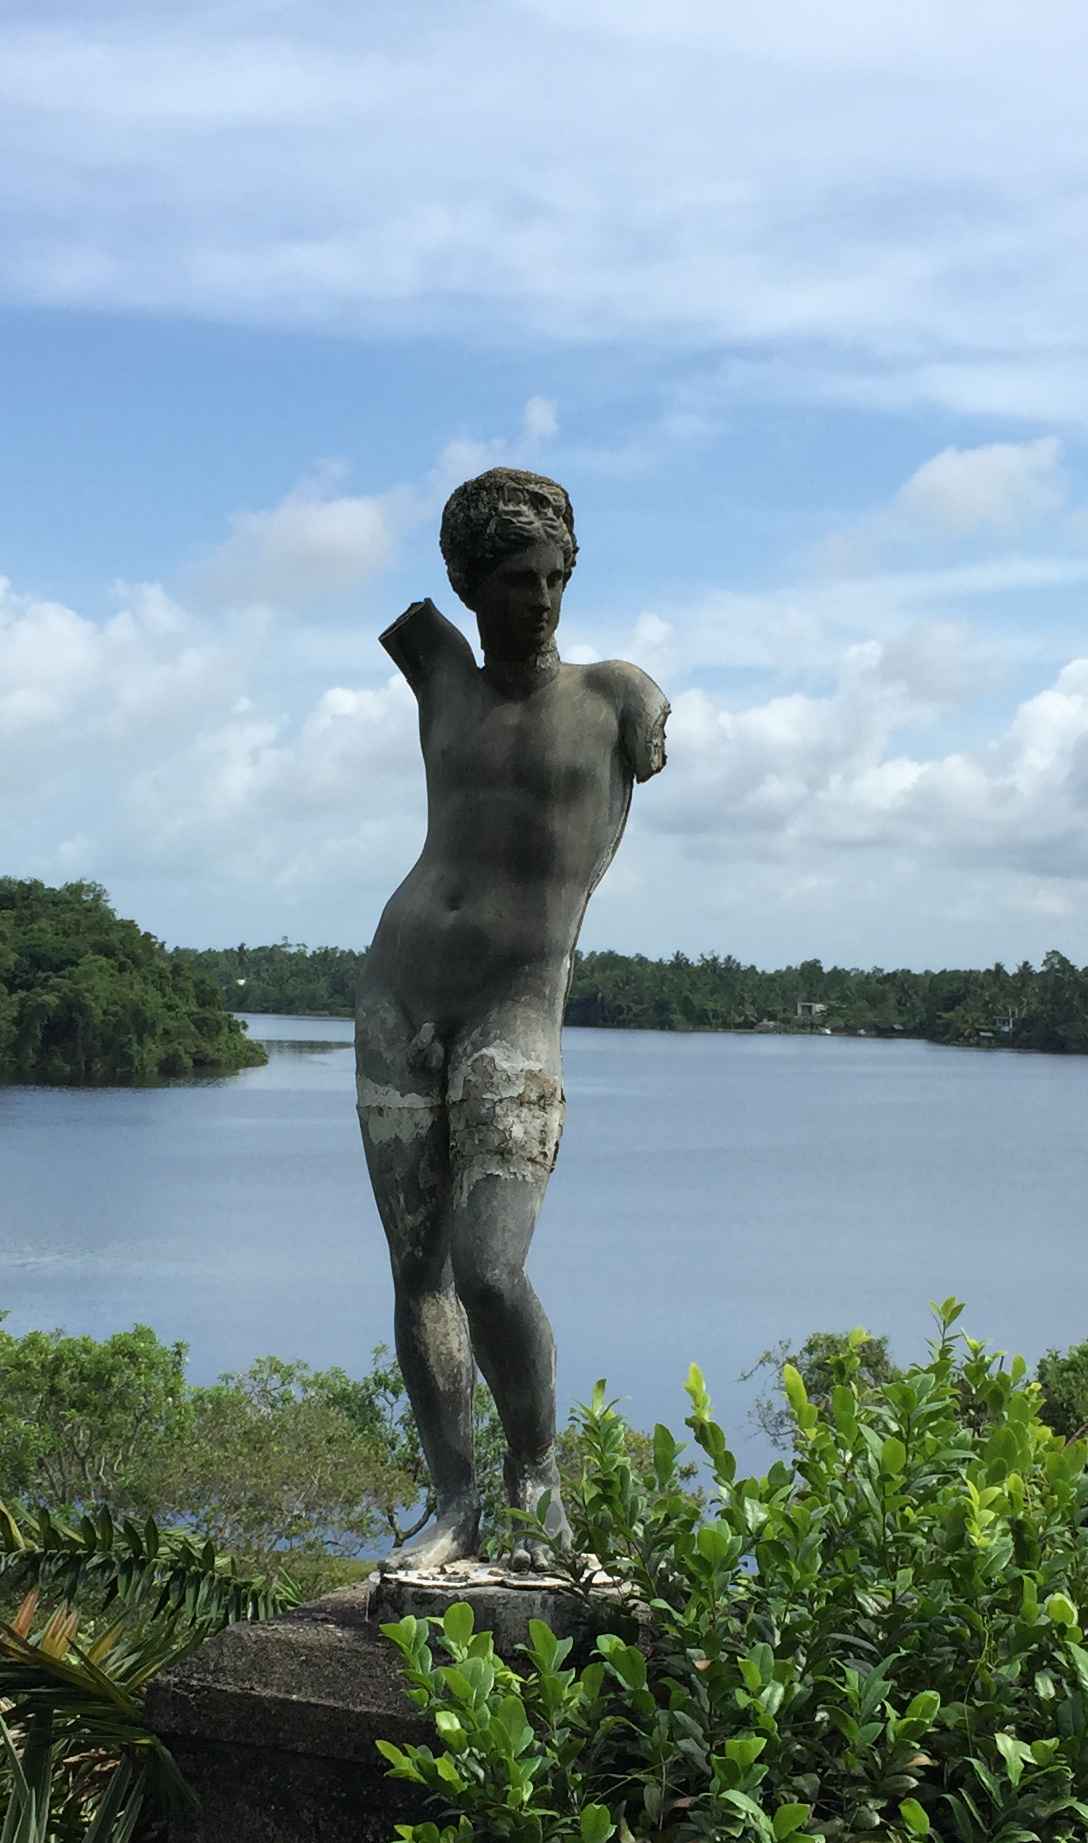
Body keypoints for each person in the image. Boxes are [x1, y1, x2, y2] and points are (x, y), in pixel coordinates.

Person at [356, 468, 668, 1567]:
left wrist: (640, 699)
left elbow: (647, 734)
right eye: (512, 581)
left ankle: (536, 1478)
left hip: (515, 1011)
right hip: (398, 997)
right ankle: (454, 1503)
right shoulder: (435, 667)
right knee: (418, 1272)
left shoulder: (614, 695)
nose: (538, 599)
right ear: (467, 584)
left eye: (552, 577)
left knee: (490, 1268)